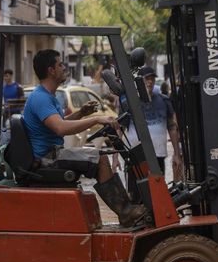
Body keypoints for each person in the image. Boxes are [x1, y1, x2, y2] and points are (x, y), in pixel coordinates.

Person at [22, 49, 146, 227]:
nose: (64, 68)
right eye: (60, 64)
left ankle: (126, 209)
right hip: (47, 158)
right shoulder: (41, 98)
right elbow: (60, 128)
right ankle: (125, 211)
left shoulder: (49, 96)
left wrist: (81, 113)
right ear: (51, 70)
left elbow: (59, 123)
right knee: (100, 159)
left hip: (51, 154)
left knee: (99, 154)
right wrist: (95, 119)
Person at [122, 66, 182, 181]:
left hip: (158, 155)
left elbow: (172, 127)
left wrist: (177, 154)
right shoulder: (128, 103)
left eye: (152, 79)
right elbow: (120, 129)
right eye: (146, 79)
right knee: (137, 193)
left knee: (158, 190)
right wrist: (115, 159)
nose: (150, 82)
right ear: (139, 81)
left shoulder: (164, 100)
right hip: (136, 156)